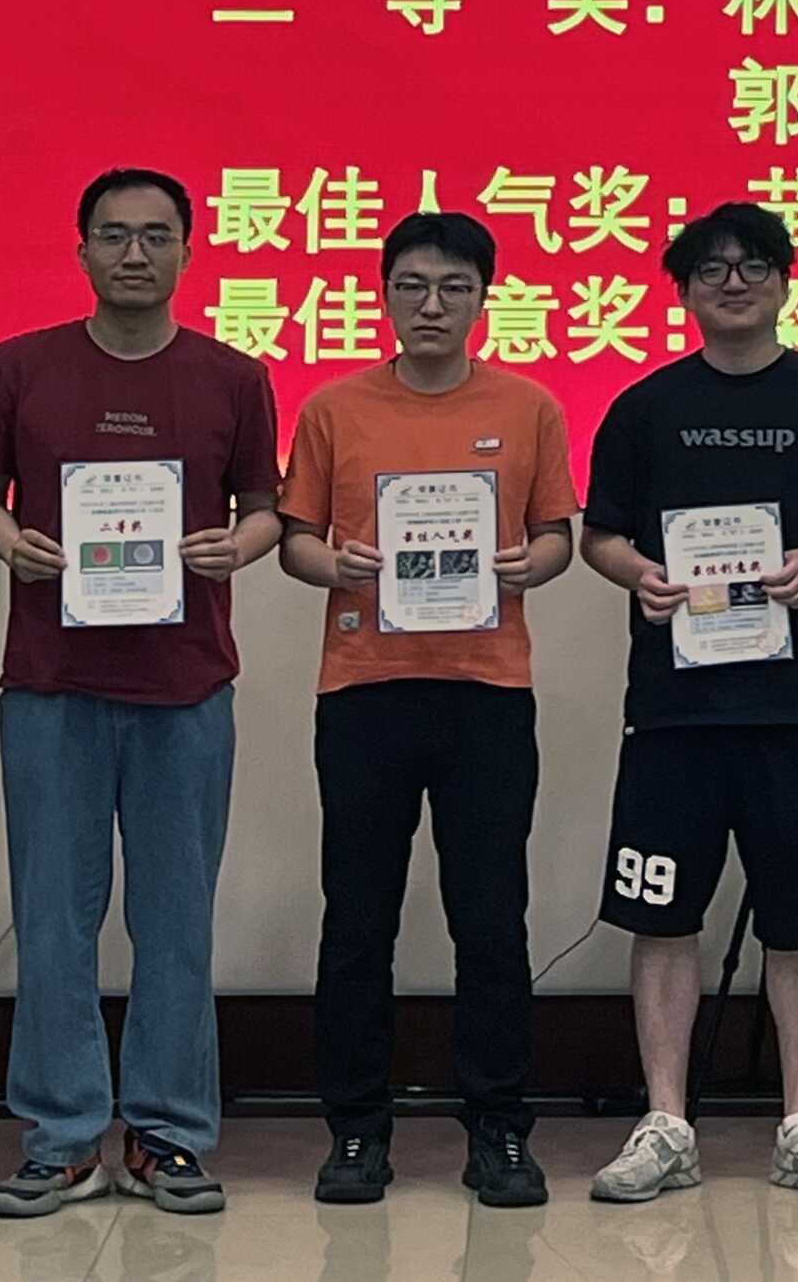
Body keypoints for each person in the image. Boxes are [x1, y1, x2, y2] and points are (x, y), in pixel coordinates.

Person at [579, 201, 798, 1207]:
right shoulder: (644, 405)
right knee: (660, 916)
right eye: (712, 267)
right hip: (673, 712)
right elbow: (600, 535)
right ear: (683, 288)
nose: (733, 281)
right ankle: (665, 1123)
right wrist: (636, 572)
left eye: (754, 264)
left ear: (784, 281)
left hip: (795, 709)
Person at [0, 168, 282, 1220]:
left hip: (184, 686)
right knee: (53, 920)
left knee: (176, 919)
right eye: (113, 234)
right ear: (81, 250)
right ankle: (60, 1138)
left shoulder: (234, 377)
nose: (134, 253)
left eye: (155, 235)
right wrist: (11, 543)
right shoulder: (19, 365)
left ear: (189, 250)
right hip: (51, 683)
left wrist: (236, 544)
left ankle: (168, 1134)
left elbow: (264, 507)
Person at [281, 210, 576, 1210]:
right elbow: (296, 541)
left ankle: (497, 1127)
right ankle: (356, 1128)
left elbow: (555, 535)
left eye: (454, 287)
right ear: (384, 296)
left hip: (486, 689)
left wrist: (528, 564)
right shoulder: (334, 408)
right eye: (411, 285)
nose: (432, 305)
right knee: (357, 917)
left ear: (484, 298)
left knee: (489, 918)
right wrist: (337, 562)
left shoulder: (528, 406)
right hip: (363, 690)